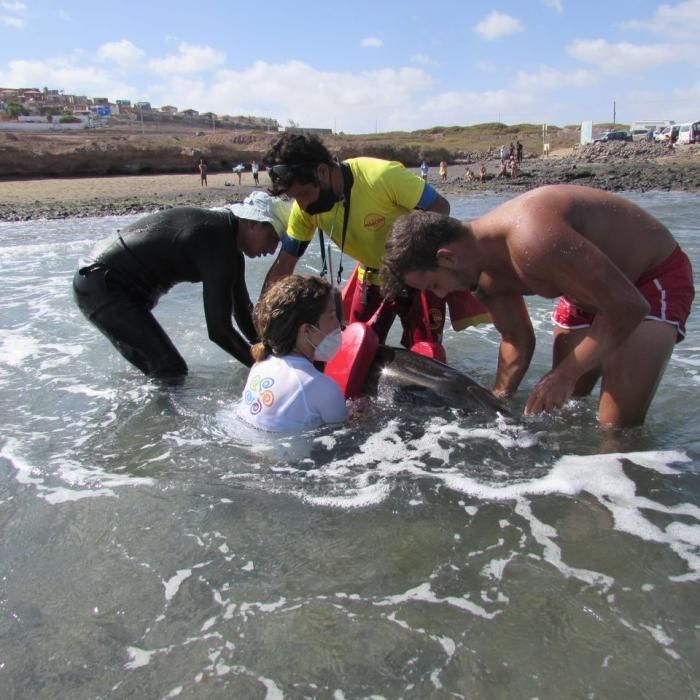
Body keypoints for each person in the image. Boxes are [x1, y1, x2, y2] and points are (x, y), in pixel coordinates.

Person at [380, 185, 694, 428]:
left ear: (448, 257)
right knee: (566, 412)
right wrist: (494, 404)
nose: (442, 296)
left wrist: (566, 373)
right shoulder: (479, 277)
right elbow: (516, 341)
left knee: (614, 428)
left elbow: (627, 306)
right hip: (584, 293)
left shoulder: (532, 238)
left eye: (434, 285)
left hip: (649, 281)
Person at [261, 132, 488, 347]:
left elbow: (440, 207)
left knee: (425, 350)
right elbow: (284, 265)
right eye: (295, 198)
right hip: (372, 278)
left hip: (421, 277)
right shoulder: (305, 211)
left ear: (322, 172)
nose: (301, 205)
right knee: (355, 351)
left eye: (302, 194)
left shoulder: (381, 176)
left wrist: (405, 262)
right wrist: (265, 321)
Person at [73, 192, 291, 381]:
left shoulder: (229, 246)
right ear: (251, 223)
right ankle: (163, 426)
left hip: (107, 286)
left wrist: (271, 352)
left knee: (160, 368)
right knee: (170, 369)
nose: (272, 250)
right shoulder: (217, 242)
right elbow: (219, 331)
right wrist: (264, 371)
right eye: (272, 238)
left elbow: (242, 312)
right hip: (103, 285)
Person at [241, 275, 348, 432]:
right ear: (307, 330)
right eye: (331, 317)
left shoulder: (260, 365)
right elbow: (345, 437)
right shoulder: (324, 389)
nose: (339, 324)